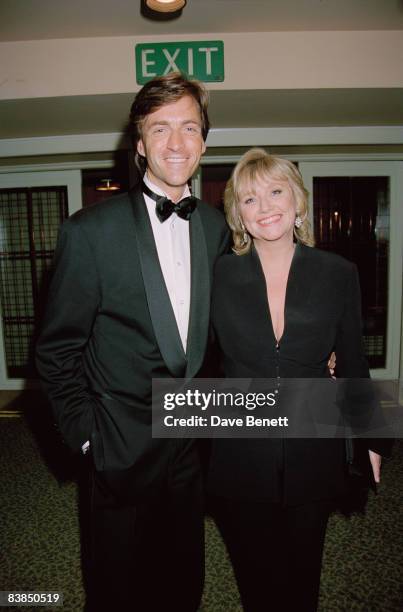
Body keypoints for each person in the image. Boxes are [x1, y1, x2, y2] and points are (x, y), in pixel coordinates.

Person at [36, 72, 229, 611]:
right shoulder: (89, 232)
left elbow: (220, 331)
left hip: (191, 444)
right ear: (139, 143)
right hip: (117, 445)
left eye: (189, 127)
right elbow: (56, 352)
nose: (176, 143)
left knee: (182, 582)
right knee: (117, 588)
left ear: (204, 141)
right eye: (159, 128)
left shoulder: (216, 229)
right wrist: (88, 438)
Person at [207, 148, 390, 612]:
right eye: (249, 199)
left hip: (314, 445)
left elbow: (352, 359)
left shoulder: (337, 273)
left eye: (275, 192)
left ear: (298, 203)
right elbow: (196, 359)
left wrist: (371, 440)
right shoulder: (218, 276)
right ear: (237, 214)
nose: (265, 207)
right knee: (256, 576)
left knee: (303, 575)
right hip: (239, 449)